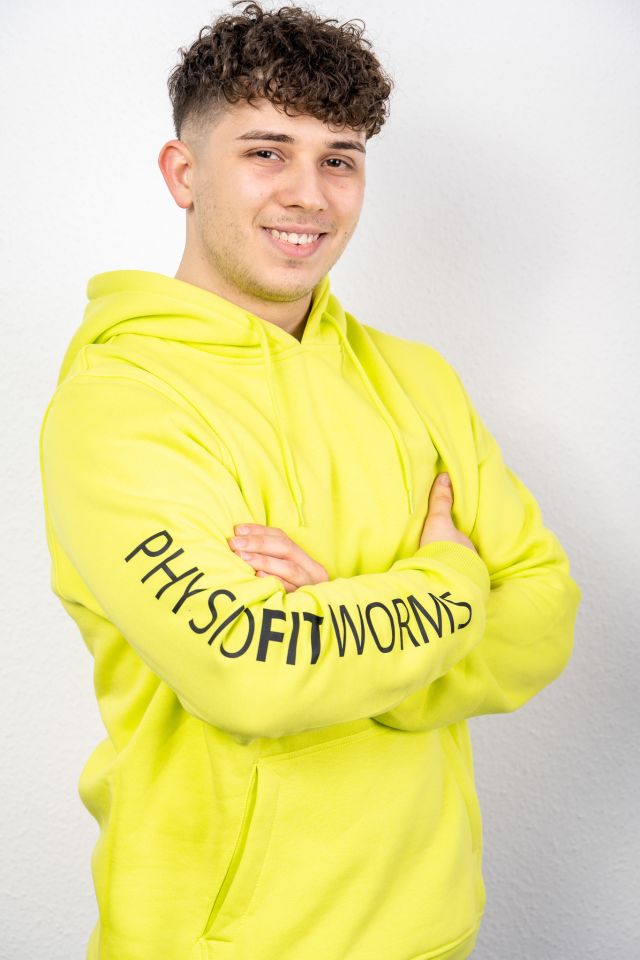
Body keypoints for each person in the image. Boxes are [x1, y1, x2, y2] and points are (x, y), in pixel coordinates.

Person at [38, 3, 581, 958]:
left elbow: (545, 611)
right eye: (266, 152)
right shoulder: (119, 403)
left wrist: (341, 637)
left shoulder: (417, 379)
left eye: (339, 159)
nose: (309, 195)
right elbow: (251, 671)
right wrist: (450, 583)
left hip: (433, 928)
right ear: (183, 172)